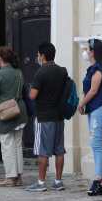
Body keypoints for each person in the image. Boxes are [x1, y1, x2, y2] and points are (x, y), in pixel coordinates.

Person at [26, 42, 67, 192]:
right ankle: (58, 181)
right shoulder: (62, 71)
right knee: (59, 150)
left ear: (42, 55)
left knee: (42, 150)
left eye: (38, 54)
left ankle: (41, 182)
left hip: (44, 116)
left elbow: (32, 95)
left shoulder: (41, 72)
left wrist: (30, 88)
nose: (37, 57)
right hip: (59, 116)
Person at [78, 38, 102, 196]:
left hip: (101, 108)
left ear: (93, 52)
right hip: (94, 109)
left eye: (87, 49)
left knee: (96, 143)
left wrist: (81, 104)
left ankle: (98, 178)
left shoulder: (98, 69)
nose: (84, 52)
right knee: (95, 143)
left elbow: (93, 91)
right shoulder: (92, 69)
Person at [0, 46, 28, 187]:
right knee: (17, 145)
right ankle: (18, 176)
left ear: (0, 59)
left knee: (7, 145)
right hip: (20, 110)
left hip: (5, 112)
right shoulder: (18, 72)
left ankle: (10, 177)